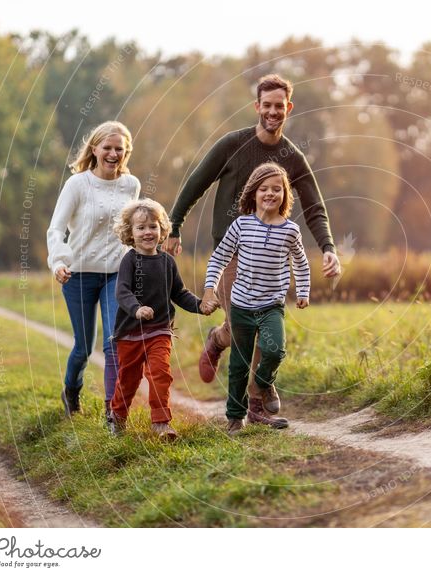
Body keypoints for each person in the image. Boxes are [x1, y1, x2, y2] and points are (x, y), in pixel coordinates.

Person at [166, 74, 339, 428]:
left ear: (288, 109)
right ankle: (237, 371)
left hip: (271, 257)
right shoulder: (232, 145)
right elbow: (196, 183)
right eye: (267, 105)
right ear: (256, 107)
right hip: (232, 250)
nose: (273, 112)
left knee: (259, 326)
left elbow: (314, 207)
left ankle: (245, 380)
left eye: (280, 106)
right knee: (247, 324)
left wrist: (328, 247)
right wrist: (175, 225)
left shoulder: (292, 156)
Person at [202, 163, 310, 436]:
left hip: (271, 305)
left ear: (285, 195)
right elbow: (219, 257)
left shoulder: (290, 230)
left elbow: (301, 263)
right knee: (239, 363)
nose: (270, 194)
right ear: (253, 193)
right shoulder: (241, 225)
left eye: (277, 189)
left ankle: (263, 385)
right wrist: (209, 288)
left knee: (275, 351)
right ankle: (235, 417)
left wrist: (303, 291)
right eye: (264, 189)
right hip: (241, 306)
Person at [47, 120, 141, 422]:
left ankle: (113, 411)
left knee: (114, 341)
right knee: (83, 348)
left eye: (119, 149)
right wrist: (58, 262)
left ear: (126, 152)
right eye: (108, 147)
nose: (113, 154)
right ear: (95, 149)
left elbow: (132, 229)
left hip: (117, 273)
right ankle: (71, 389)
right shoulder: (78, 184)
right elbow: (57, 228)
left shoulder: (131, 185)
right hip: (78, 274)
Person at [108, 199, 214, 439]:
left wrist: (200, 305)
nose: (148, 232)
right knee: (129, 379)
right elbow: (122, 292)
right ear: (130, 233)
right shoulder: (129, 260)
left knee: (160, 372)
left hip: (159, 330)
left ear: (162, 229)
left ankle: (161, 422)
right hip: (130, 332)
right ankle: (117, 415)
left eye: (153, 226)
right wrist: (136, 309)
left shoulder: (167, 262)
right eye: (141, 227)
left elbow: (179, 293)